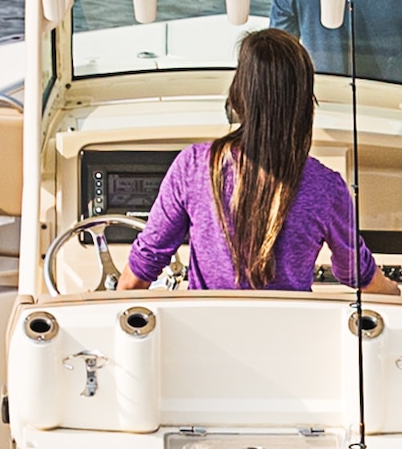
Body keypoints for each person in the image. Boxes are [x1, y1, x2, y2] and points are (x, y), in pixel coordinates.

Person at [129, 29, 376, 292]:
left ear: (238, 95)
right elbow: (356, 272)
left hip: (203, 331)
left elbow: (143, 268)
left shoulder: (192, 166)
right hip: (290, 332)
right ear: (304, 103)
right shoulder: (327, 187)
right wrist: (396, 293)